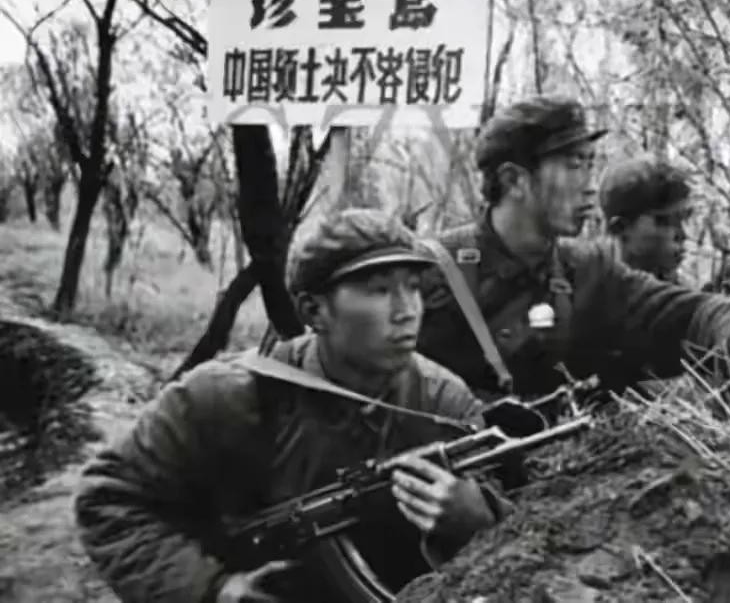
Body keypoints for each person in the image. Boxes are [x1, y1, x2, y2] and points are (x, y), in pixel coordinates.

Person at [74, 209, 508, 603]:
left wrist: (482, 517)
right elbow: (107, 498)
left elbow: (522, 516)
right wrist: (211, 588)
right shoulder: (227, 397)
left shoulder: (442, 401)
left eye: (413, 288)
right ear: (314, 311)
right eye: (379, 291)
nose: (406, 311)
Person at [416, 95, 730, 399]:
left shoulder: (588, 271)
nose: (589, 185)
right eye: (573, 166)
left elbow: (690, 313)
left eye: (590, 164)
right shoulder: (429, 273)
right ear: (514, 180)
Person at [597, 154, 694, 284]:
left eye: (684, 219)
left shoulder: (676, 287)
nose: (682, 235)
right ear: (621, 228)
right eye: (665, 221)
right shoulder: (587, 287)